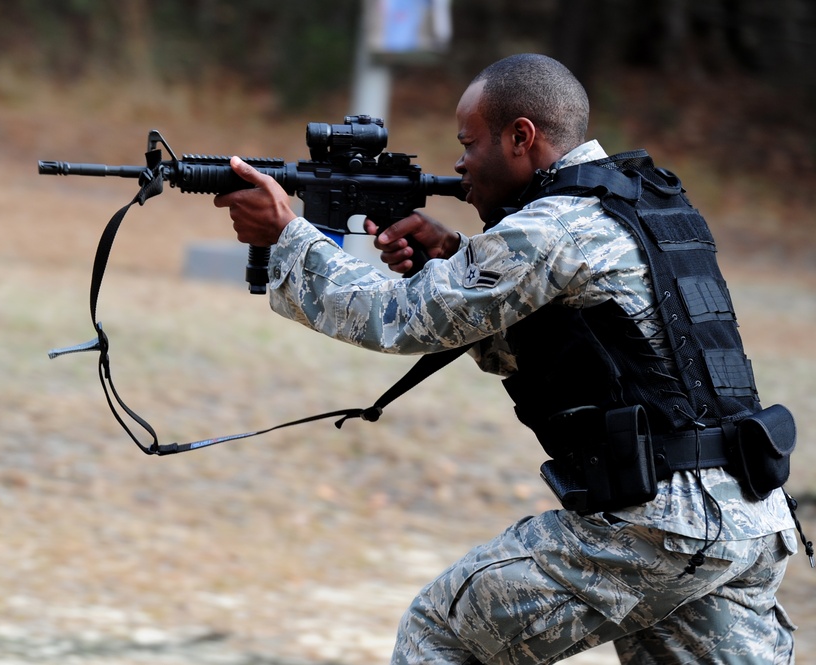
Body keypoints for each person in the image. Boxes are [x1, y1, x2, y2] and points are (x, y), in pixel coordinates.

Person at [214, 53, 801, 664]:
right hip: (749, 516)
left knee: (439, 633)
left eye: (469, 142)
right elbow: (592, 349)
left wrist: (287, 236)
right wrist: (459, 258)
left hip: (660, 526)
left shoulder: (555, 225)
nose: (460, 162)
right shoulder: (646, 204)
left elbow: (395, 318)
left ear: (522, 136)